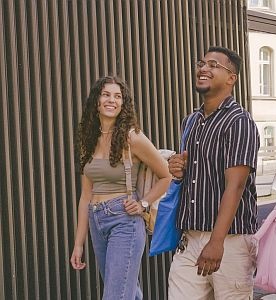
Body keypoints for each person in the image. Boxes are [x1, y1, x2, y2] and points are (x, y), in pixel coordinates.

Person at [167, 46, 260, 299]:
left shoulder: (239, 122)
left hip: (229, 242)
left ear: (232, 78)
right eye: (201, 63)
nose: (203, 68)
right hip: (190, 239)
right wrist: (177, 168)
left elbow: (236, 186)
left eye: (213, 65)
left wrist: (216, 242)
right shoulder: (191, 121)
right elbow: (193, 175)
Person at [70, 76, 171, 299]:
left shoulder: (131, 137)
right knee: (127, 292)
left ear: (123, 104)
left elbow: (166, 175)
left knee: (116, 295)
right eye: (106, 94)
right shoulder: (88, 139)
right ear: (96, 100)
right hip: (97, 222)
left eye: (118, 96)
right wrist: (79, 244)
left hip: (124, 220)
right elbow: (86, 197)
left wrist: (143, 203)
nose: (111, 100)